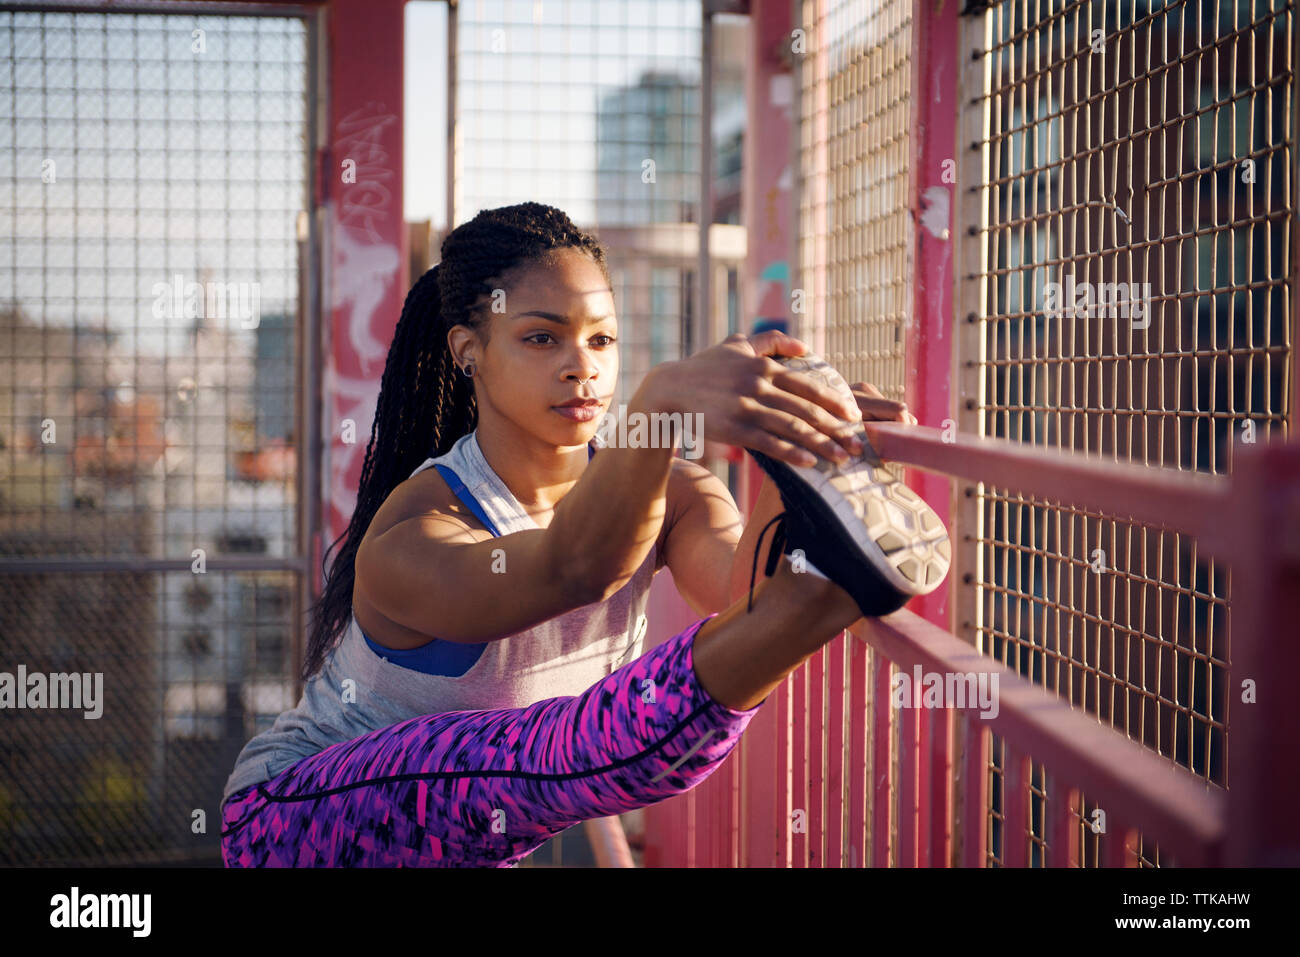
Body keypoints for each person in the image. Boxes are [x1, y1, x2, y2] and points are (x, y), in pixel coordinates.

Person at [219, 201, 943, 867]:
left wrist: (787, 461)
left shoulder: (675, 491)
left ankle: (827, 573)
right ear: (470, 351)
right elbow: (574, 567)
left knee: (568, 743)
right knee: (575, 741)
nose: (584, 367)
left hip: (475, 830)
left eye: (602, 339)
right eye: (542, 337)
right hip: (291, 824)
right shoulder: (418, 528)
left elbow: (742, 600)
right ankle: (827, 592)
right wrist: (658, 405)